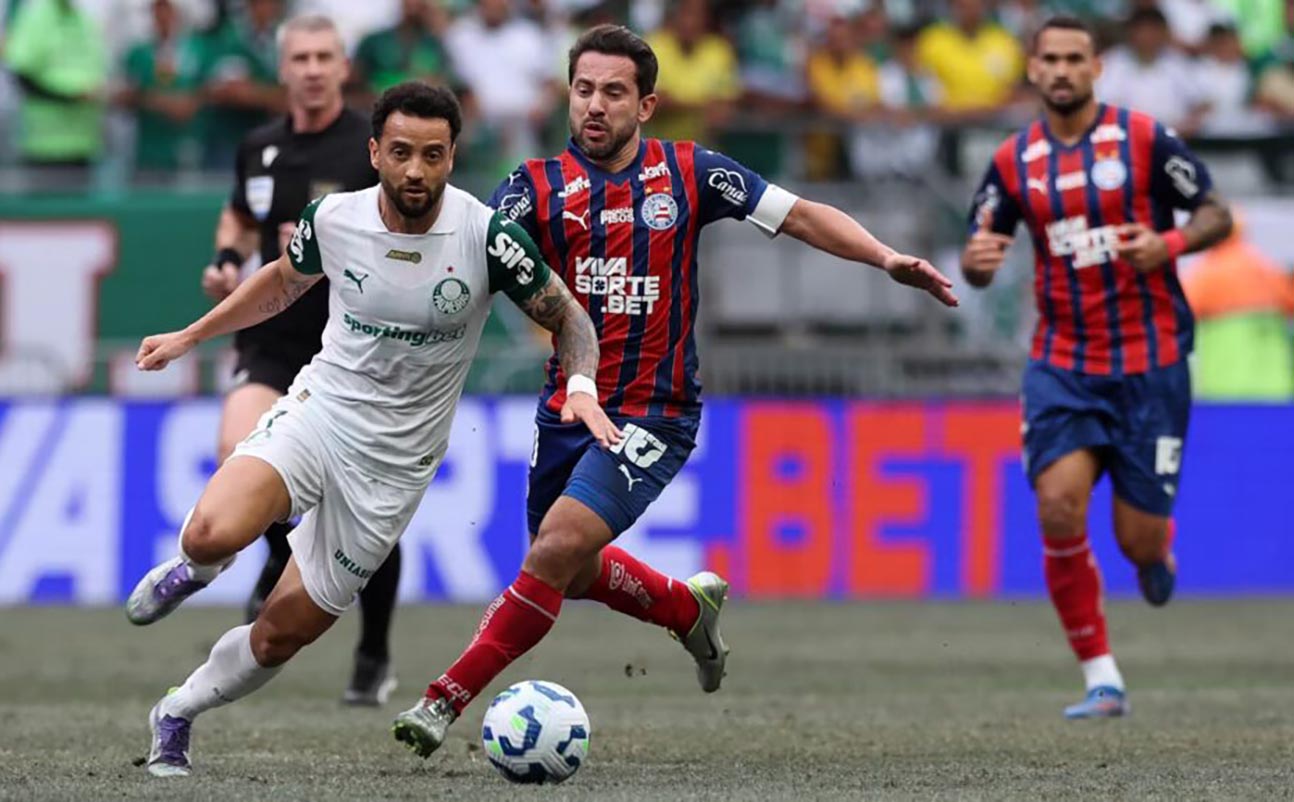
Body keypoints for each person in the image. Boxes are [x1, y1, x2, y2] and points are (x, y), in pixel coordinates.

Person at [390, 23, 958, 759]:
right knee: (570, 568)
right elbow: (469, 265)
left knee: (553, 551)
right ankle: (686, 608)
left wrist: (884, 257)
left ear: (647, 105)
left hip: (656, 412)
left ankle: (443, 699)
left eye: (613, 92)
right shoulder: (532, 187)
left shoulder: (690, 172)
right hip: (568, 405)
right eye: (583, 90)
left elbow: (798, 214)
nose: (595, 105)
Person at [125, 80, 616, 778]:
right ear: (375, 153)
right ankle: (197, 567)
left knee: (280, 636)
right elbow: (281, 281)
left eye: (433, 155)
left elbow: (568, 318)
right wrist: (190, 335)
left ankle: (176, 712)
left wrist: (582, 385)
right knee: (212, 532)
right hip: (321, 415)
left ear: (452, 157)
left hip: (394, 470)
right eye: (402, 152)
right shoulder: (335, 218)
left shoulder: (487, 238)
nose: (416, 170)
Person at [960, 16, 1232, 719]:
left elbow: (1215, 213)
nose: (1061, 70)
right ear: (1032, 68)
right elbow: (980, 249)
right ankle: (1101, 678)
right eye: (1049, 58)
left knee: (1136, 538)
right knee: (1057, 507)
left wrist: (1170, 244)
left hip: (1151, 361)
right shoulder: (1014, 160)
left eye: (1074, 58)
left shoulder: (1143, 139)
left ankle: (1155, 553)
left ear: (1096, 67)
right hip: (1063, 362)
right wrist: (976, 263)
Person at [195, 15, 399, 707]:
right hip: (273, 342)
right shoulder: (259, 146)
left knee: (362, 506)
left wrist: (332, 246)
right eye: (301, 58)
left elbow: (404, 236)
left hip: (352, 350)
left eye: (324, 57)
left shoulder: (370, 147)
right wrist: (228, 259)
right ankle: (280, 561)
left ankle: (373, 653)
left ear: (343, 66)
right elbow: (239, 215)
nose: (312, 69)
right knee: (236, 451)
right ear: (283, 69)